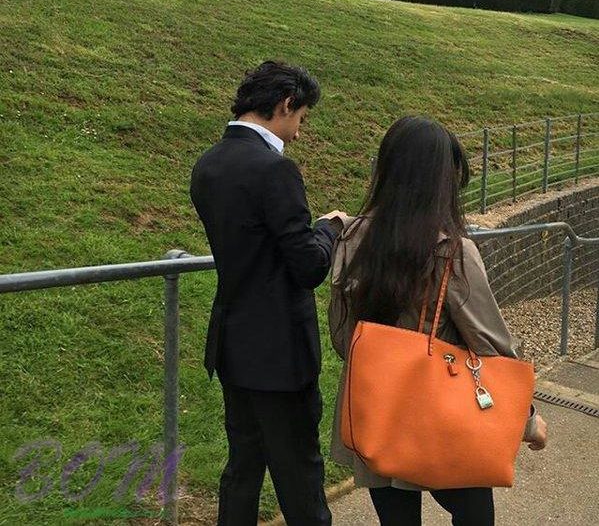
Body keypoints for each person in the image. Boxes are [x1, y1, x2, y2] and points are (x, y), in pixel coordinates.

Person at [328, 116, 547, 526]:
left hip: (376, 411)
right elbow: (493, 348)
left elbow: (343, 339)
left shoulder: (351, 237)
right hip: (443, 419)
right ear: (441, 182)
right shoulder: (453, 251)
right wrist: (529, 419)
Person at [190, 61, 349, 526]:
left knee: (242, 469)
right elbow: (309, 266)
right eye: (301, 118)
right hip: (280, 358)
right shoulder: (275, 171)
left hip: (233, 347)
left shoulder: (208, 165)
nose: (299, 133)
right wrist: (329, 227)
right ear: (284, 105)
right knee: (300, 479)